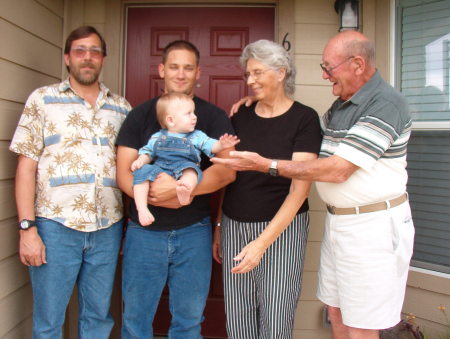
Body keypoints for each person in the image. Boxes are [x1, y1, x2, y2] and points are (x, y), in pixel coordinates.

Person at [213, 30, 415, 339]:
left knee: (358, 322)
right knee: (335, 312)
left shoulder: (383, 104)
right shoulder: (339, 108)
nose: (323, 75)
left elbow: (337, 170)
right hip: (339, 222)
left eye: (328, 67)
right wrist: (218, 225)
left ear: (357, 64)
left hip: (371, 225)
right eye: (248, 73)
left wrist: (264, 164)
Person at [9, 26, 131, 338]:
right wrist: (27, 229)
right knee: (49, 322)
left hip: (108, 227)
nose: (87, 57)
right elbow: (25, 168)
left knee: (97, 318)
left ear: (103, 58)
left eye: (94, 51)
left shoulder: (122, 107)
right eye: (80, 50)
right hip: (54, 227)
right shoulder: (43, 100)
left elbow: (131, 167)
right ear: (67, 58)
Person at [116, 40, 236, 339]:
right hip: (144, 234)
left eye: (188, 68)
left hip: (193, 231)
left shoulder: (211, 117)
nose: (180, 74)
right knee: (135, 321)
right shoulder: (140, 116)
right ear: (161, 70)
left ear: (198, 73)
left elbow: (227, 170)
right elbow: (123, 173)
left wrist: (182, 191)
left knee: (188, 322)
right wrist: (157, 194)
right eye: (174, 67)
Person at [211, 40, 322, 339]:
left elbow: (299, 191)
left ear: (281, 72)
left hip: (282, 231)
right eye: (248, 74)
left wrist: (261, 244)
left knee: (276, 317)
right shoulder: (240, 115)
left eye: (258, 73)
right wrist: (221, 224)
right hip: (235, 225)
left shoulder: (305, 119)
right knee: (238, 317)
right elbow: (229, 175)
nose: (250, 81)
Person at [131, 92, 239, 226]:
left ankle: (185, 191)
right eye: (188, 113)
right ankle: (142, 208)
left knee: (192, 172)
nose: (194, 117)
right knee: (142, 173)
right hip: (160, 169)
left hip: (183, 166)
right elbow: (148, 152)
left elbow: (211, 146)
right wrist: (141, 160)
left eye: (194, 113)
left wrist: (221, 145)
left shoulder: (196, 136)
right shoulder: (157, 137)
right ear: (170, 120)